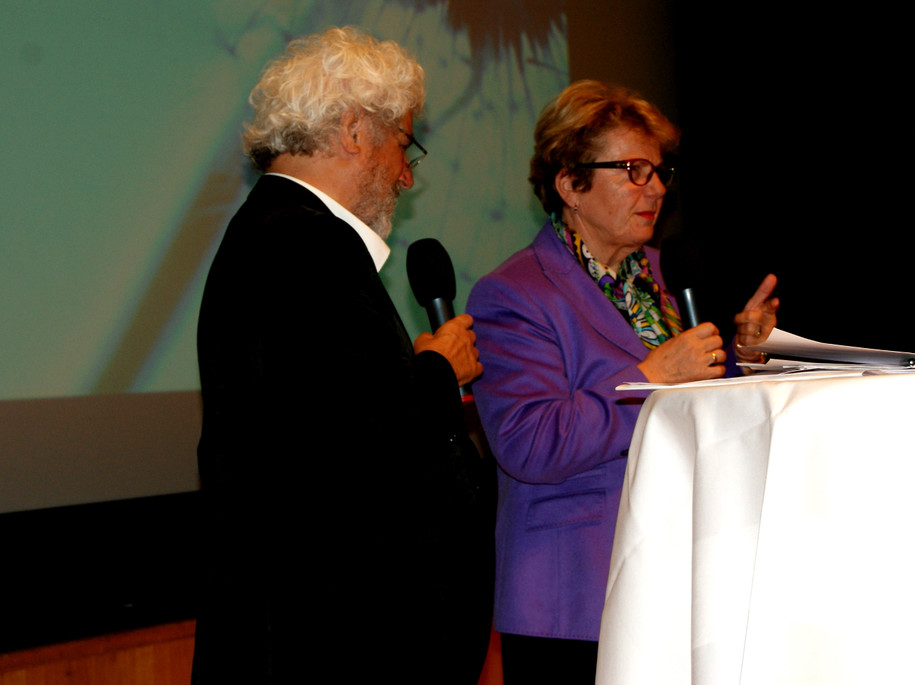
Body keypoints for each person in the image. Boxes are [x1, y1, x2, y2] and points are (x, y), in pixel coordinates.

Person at [192, 27, 490, 683]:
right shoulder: (307, 245)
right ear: (355, 130)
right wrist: (440, 369)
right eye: (404, 143)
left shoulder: (271, 233)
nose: (406, 174)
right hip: (330, 641)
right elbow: (358, 449)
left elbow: (322, 422)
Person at [466, 80, 779, 684]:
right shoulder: (513, 294)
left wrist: (745, 355)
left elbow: (697, 402)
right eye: (633, 171)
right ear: (570, 185)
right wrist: (647, 378)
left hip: (683, 573)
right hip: (576, 596)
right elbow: (530, 444)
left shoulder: (665, 275)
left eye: (660, 171)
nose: (656, 188)